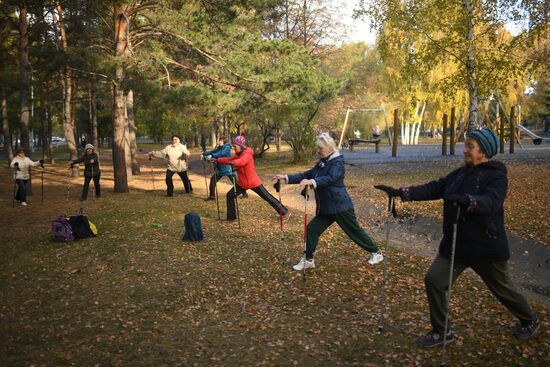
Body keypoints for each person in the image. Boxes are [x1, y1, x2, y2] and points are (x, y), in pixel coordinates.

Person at [374, 127, 540, 347]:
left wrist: (468, 201)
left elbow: (492, 202)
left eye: (470, 147)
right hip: (457, 244)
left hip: (485, 246)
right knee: (434, 280)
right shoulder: (462, 173)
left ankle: (529, 319)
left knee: (503, 289)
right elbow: (437, 187)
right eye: (466, 145)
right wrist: (402, 192)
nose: (465, 150)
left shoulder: (497, 175)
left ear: (484, 152)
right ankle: (442, 331)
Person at [273, 133, 382, 271]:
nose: (318, 150)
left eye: (320, 148)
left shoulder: (337, 163)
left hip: (340, 206)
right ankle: (308, 260)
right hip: (327, 208)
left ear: (330, 147)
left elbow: (330, 178)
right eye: (318, 148)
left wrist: (312, 182)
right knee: (312, 229)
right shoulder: (322, 163)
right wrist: (285, 177)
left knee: (354, 231)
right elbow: (306, 175)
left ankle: (376, 253)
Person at [213, 135, 287, 221]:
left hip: (253, 182)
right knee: (230, 195)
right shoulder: (238, 154)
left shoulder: (247, 154)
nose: (234, 148)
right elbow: (228, 159)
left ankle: (284, 212)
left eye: (235, 146)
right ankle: (231, 218)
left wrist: (233, 163)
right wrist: (216, 160)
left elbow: (241, 161)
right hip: (243, 183)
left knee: (268, 197)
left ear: (240, 146)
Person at [201, 137, 234, 201]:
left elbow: (220, 153)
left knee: (235, 182)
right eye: (219, 140)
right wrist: (204, 153)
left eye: (220, 140)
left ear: (224, 141)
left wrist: (212, 156)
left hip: (227, 168)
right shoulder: (219, 147)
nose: (218, 142)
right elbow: (213, 151)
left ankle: (244, 193)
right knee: (213, 181)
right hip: (220, 169)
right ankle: (212, 196)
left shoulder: (226, 147)